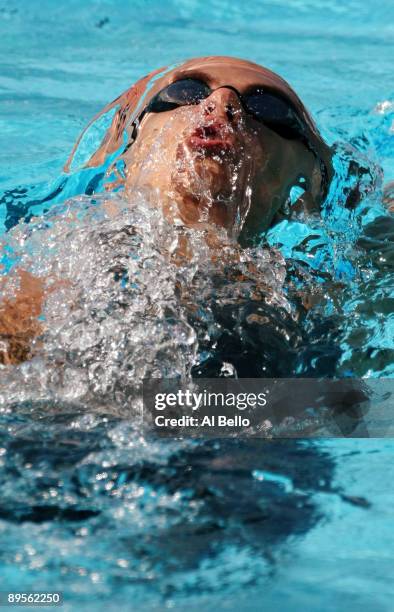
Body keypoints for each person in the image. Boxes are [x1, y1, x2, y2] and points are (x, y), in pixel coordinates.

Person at [1, 55, 333, 365]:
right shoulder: (53, 259)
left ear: (305, 187)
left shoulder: (309, 295)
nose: (221, 104)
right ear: (130, 150)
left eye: (267, 107)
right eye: (185, 91)